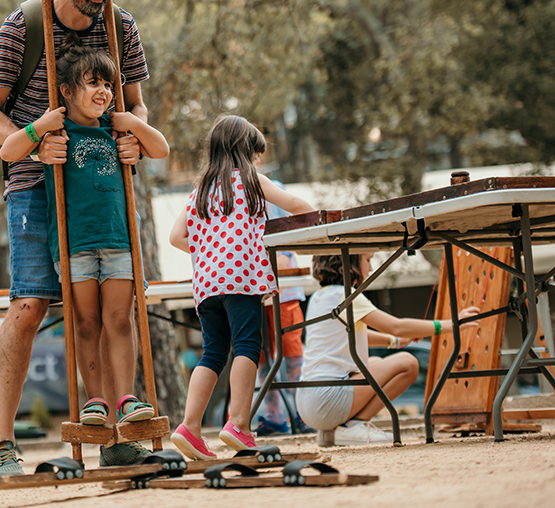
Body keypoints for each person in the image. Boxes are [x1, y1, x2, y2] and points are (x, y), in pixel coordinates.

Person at [0, 0, 151, 478]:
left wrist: (132, 137)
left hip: (100, 189)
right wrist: (34, 145)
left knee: (106, 311)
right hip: (35, 187)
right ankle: (2, 445)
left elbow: (138, 107)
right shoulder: (24, 25)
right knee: (30, 307)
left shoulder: (120, 27)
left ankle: (116, 433)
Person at [2, 36, 168, 434]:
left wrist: (133, 123)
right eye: (94, 83)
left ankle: (126, 398)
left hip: (118, 242)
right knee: (86, 323)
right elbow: (8, 151)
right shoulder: (55, 137)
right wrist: (39, 127)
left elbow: (160, 150)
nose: (104, 92)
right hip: (74, 246)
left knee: (120, 320)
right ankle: (94, 399)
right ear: (67, 90)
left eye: (108, 85)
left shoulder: (117, 129)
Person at [167, 115, 315, 460]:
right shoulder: (251, 181)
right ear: (244, 152)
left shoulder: (199, 189)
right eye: (256, 154)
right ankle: (239, 424)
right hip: (242, 279)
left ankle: (189, 426)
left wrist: (211, 252)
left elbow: (177, 237)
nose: (258, 161)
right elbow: (296, 206)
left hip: (206, 284)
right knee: (248, 345)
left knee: (213, 352)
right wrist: (316, 221)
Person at [298, 253, 479, 446]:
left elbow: (349, 337)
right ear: (350, 264)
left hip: (307, 402)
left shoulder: (319, 297)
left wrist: (394, 342)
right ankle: (354, 426)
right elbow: (397, 326)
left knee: (375, 363)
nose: (370, 268)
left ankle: (332, 432)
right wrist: (452, 324)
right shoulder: (347, 296)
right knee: (407, 363)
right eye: (367, 260)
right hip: (328, 401)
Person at [253, 183, 313, 437]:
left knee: (291, 352)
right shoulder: (229, 187)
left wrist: (285, 254)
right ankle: (275, 416)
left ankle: (302, 412)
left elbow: (291, 221)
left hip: (283, 283)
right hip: (253, 284)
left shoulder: (271, 186)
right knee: (261, 354)